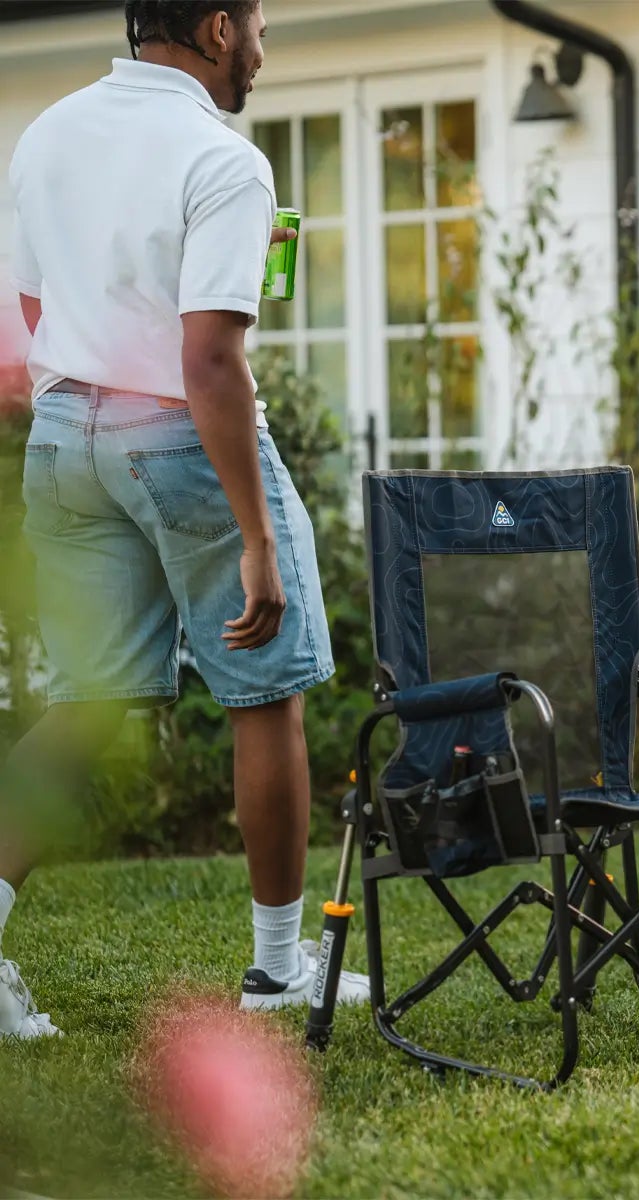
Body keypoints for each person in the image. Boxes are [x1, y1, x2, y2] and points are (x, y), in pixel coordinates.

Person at [0, 1, 370, 1040]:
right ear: (216, 28)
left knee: (85, 705)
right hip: (177, 436)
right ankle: (274, 972)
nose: (262, 47)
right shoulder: (222, 158)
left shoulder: (50, 133)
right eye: (258, 25)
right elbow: (208, 357)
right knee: (267, 691)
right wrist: (256, 537)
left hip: (67, 435)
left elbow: (35, 317)